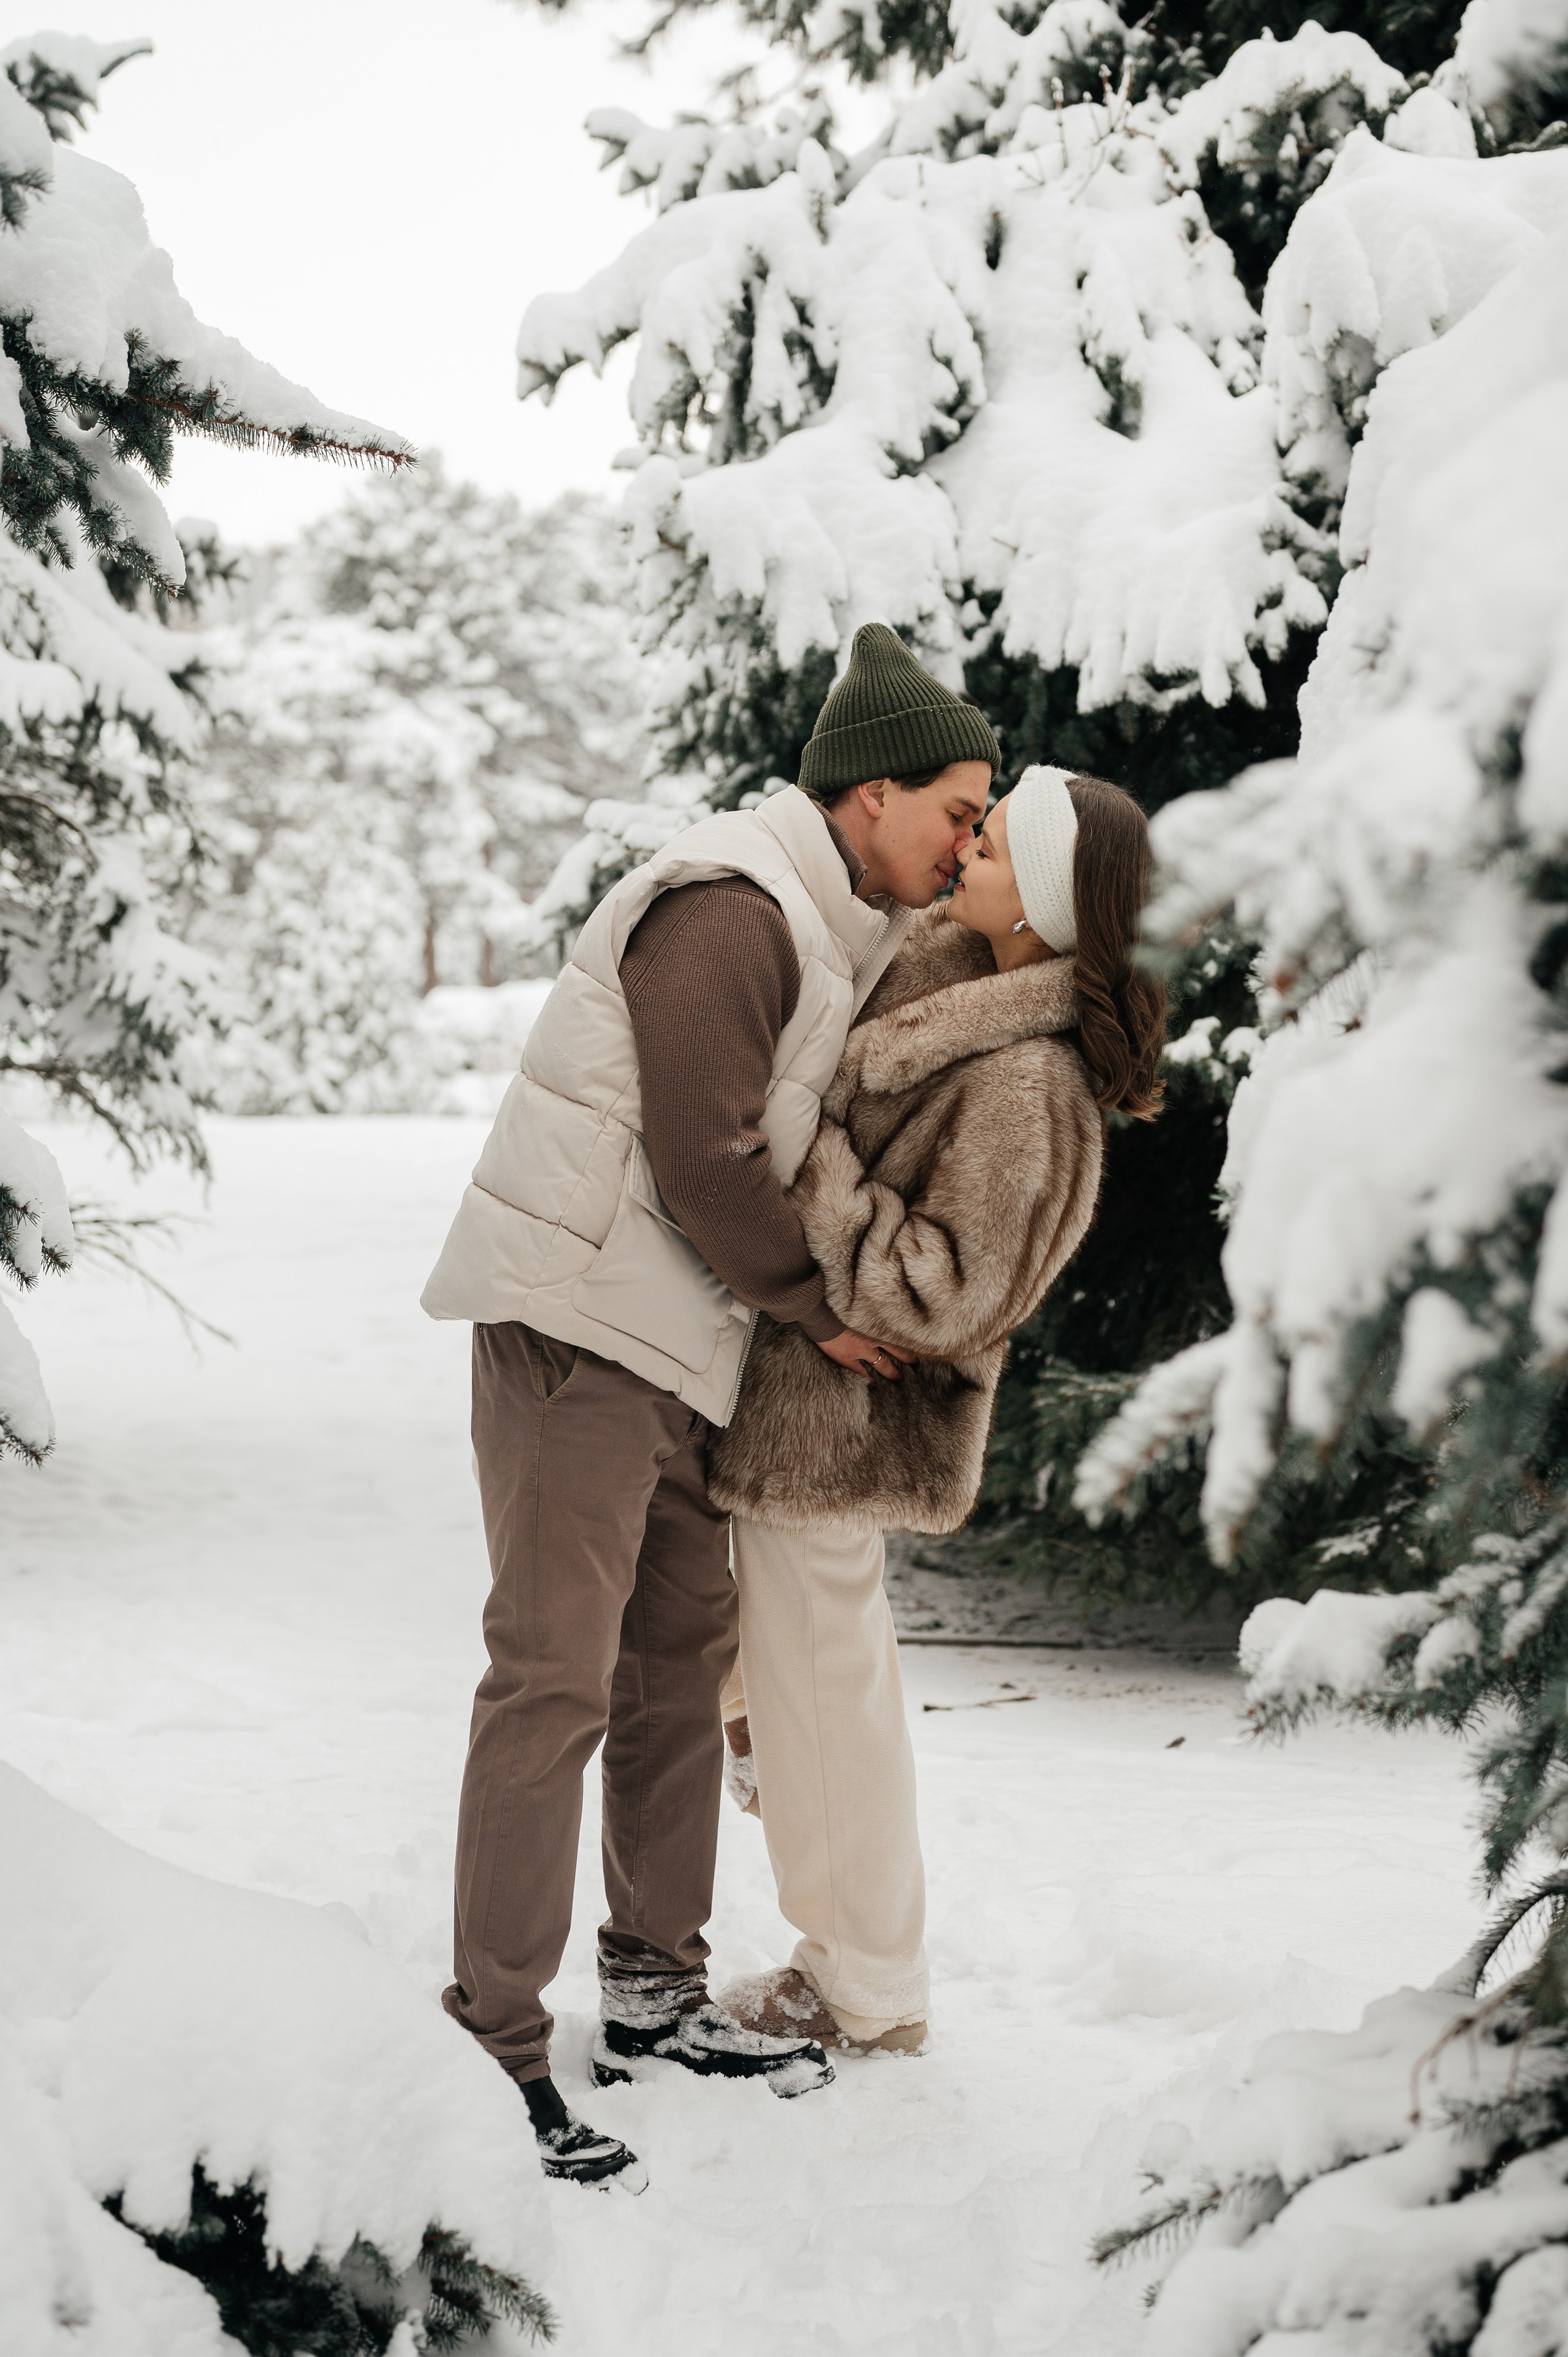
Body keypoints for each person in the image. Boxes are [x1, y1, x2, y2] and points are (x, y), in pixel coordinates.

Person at [420, 624, 997, 2189]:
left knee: (672, 1666)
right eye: (955, 805)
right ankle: (493, 2041)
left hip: (675, 1343)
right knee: (554, 1678)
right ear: (867, 795)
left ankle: (659, 1992)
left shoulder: (831, 922)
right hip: (576, 1325)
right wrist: (824, 1307)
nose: (967, 840)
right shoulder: (733, 908)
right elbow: (702, 1157)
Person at [708, 765, 1166, 2057]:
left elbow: (945, 1294)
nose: (970, 839)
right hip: (787, 1377)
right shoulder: (942, 963)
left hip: (851, 1419)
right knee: (781, 1670)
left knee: (826, 1680)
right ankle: (761, 1756)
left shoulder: (1031, 1081)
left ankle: (864, 1988)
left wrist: (813, 1156)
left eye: (999, 837)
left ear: (1051, 901)